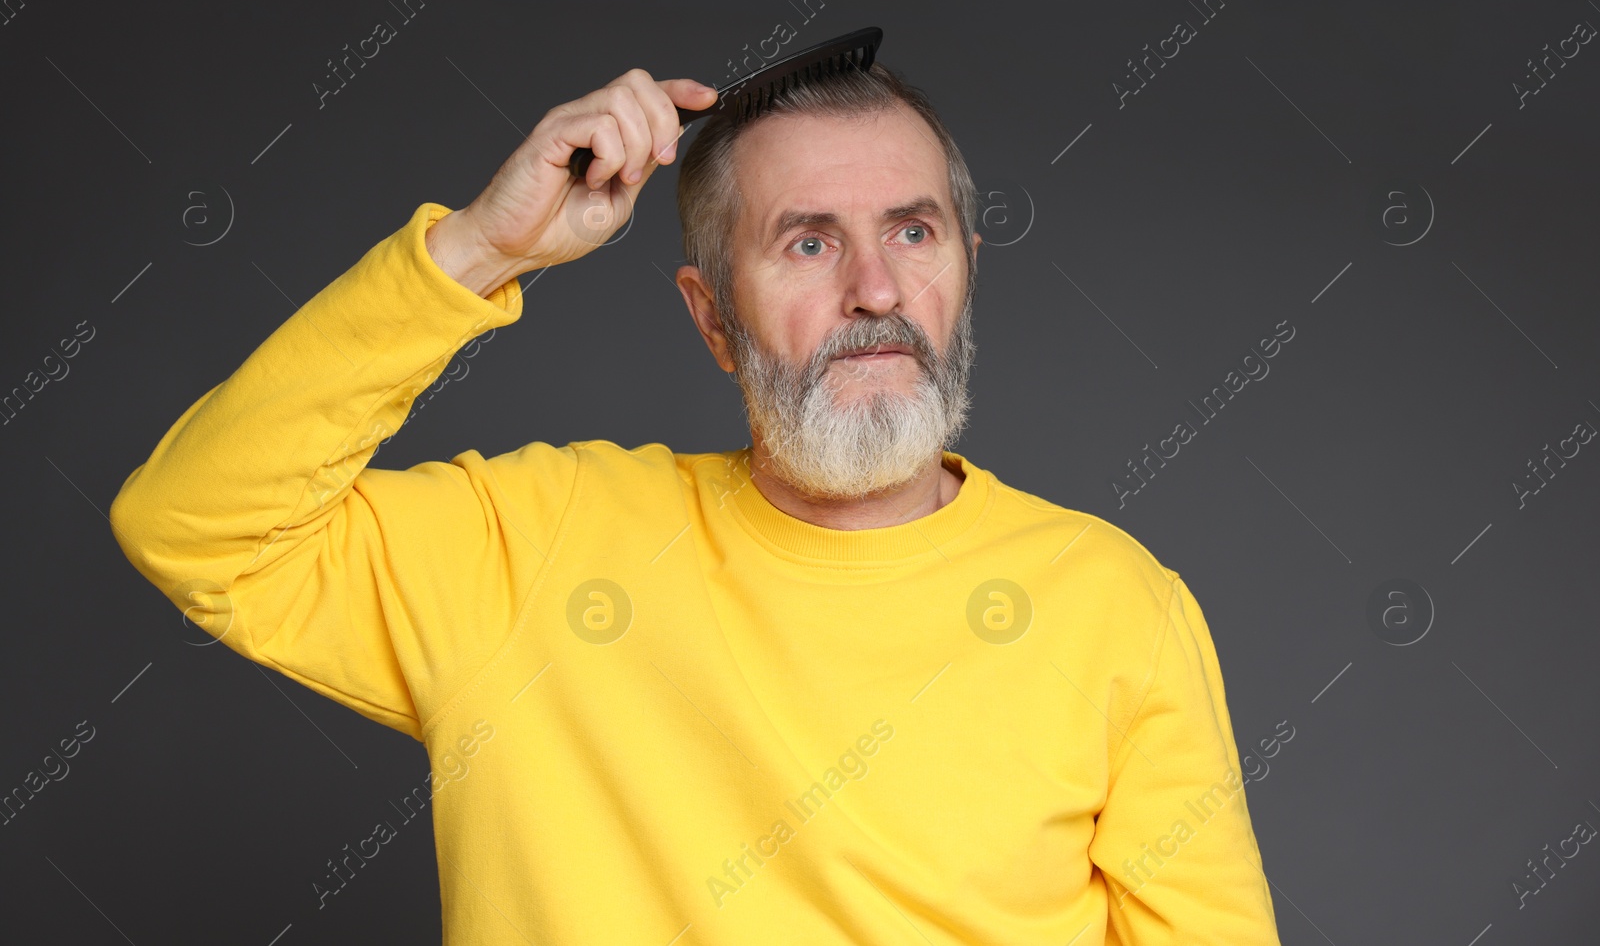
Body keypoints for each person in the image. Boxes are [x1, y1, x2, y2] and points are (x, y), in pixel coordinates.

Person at [110, 61, 1282, 944]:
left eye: (911, 231)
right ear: (709, 315)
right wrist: (477, 251)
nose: (876, 288)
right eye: (807, 242)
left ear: (964, 261)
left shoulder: (1113, 603)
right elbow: (194, 518)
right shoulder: (535, 547)